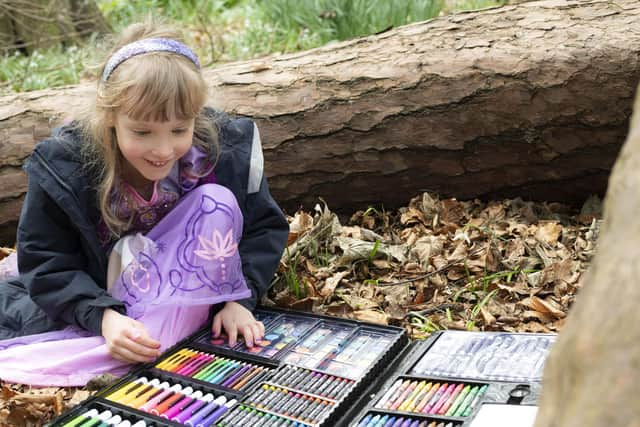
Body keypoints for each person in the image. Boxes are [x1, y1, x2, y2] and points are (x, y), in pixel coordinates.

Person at [0, 21, 289, 386]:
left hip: (190, 285)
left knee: (214, 201)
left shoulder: (223, 152)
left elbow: (262, 228)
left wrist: (238, 302)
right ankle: (131, 343)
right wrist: (104, 317)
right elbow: (46, 258)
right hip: (109, 294)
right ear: (110, 118)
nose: (163, 150)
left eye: (179, 130)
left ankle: (162, 334)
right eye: (142, 132)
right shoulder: (66, 164)